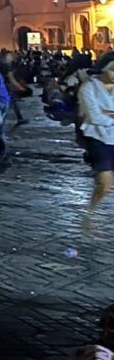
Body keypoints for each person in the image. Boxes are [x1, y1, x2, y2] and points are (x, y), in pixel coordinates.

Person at [80, 52, 114, 233]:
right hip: (99, 139)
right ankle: (90, 214)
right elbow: (95, 116)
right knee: (105, 182)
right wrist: (108, 115)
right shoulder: (89, 88)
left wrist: (108, 113)